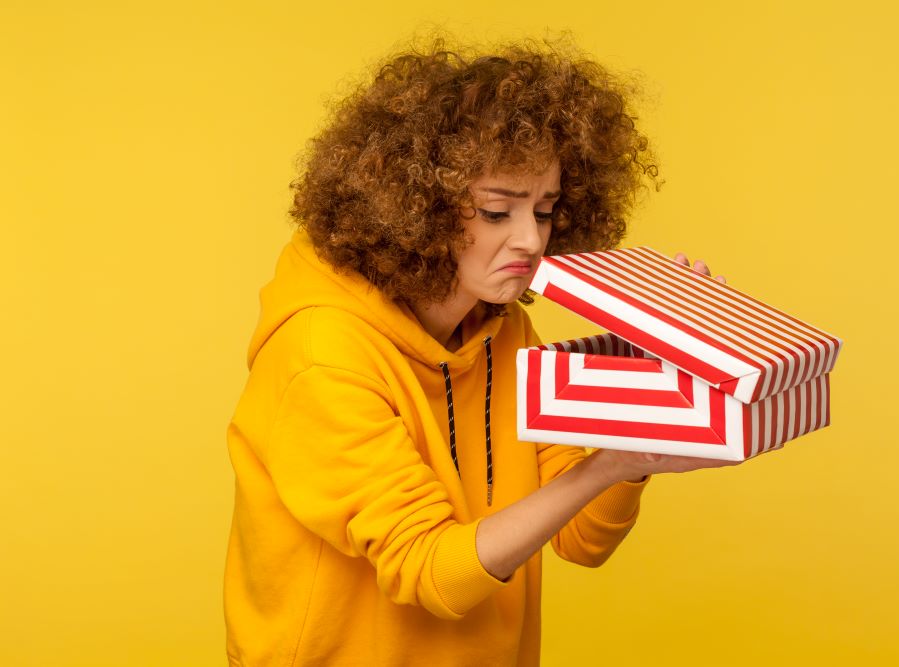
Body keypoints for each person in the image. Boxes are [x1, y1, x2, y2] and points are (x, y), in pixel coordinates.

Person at [224, 38, 735, 667]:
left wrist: (637, 427)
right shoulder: (320, 357)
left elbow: (581, 539)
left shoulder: (505, 331)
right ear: (413, 211)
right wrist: (605, 466)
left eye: (545, 211)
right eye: (497, 211)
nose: (530, 240)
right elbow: (431, 570)